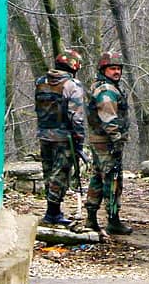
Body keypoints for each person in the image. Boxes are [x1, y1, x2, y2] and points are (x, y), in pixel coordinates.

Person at [34, 49, 87, 225]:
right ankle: (53, 214)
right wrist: (80, 139)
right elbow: (76, 116)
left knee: (49, 173)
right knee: (60, 174)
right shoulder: (73, 85)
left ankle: (53, 211)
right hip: (65, 137)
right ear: (74, 66)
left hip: (44, 134)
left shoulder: (41, 81)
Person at [84, 51, 132, 234]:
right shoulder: (106, 91)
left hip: (101, 141)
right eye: (112, 68)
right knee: (112, 179)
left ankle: (91, 218)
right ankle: (112, 220)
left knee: (98, 177)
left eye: (118, 68)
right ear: (104, 70)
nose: (117, 71)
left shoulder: (106, 87)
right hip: (106, 142)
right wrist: (117, 139)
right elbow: (109, 118)